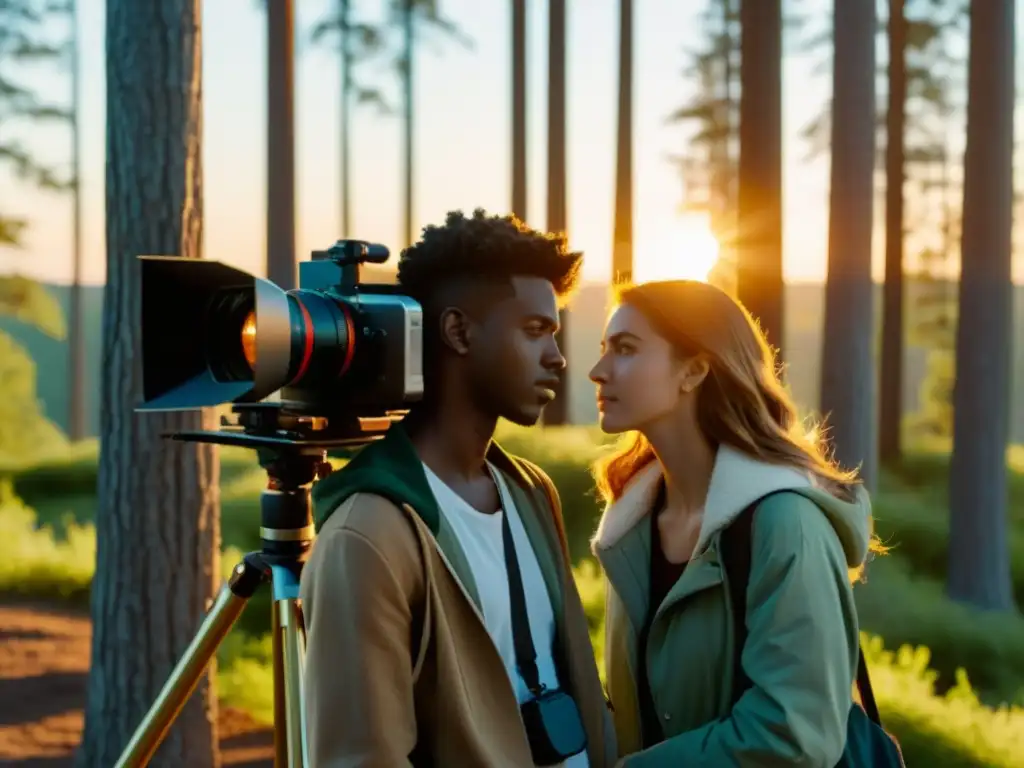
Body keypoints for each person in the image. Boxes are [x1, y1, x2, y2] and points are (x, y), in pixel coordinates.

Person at [300, 209, 616, 767]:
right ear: (457, 331)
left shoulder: (529, 492)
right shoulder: (368, 535)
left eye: (555, 333)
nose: (557, 357)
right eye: (535, 330)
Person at [587, 279, 884, 766]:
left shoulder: (785, 522)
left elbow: (794, 733)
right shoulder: (630, 524)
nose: (599, 371)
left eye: (625, 349)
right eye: (604, 348)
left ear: (694, 370)